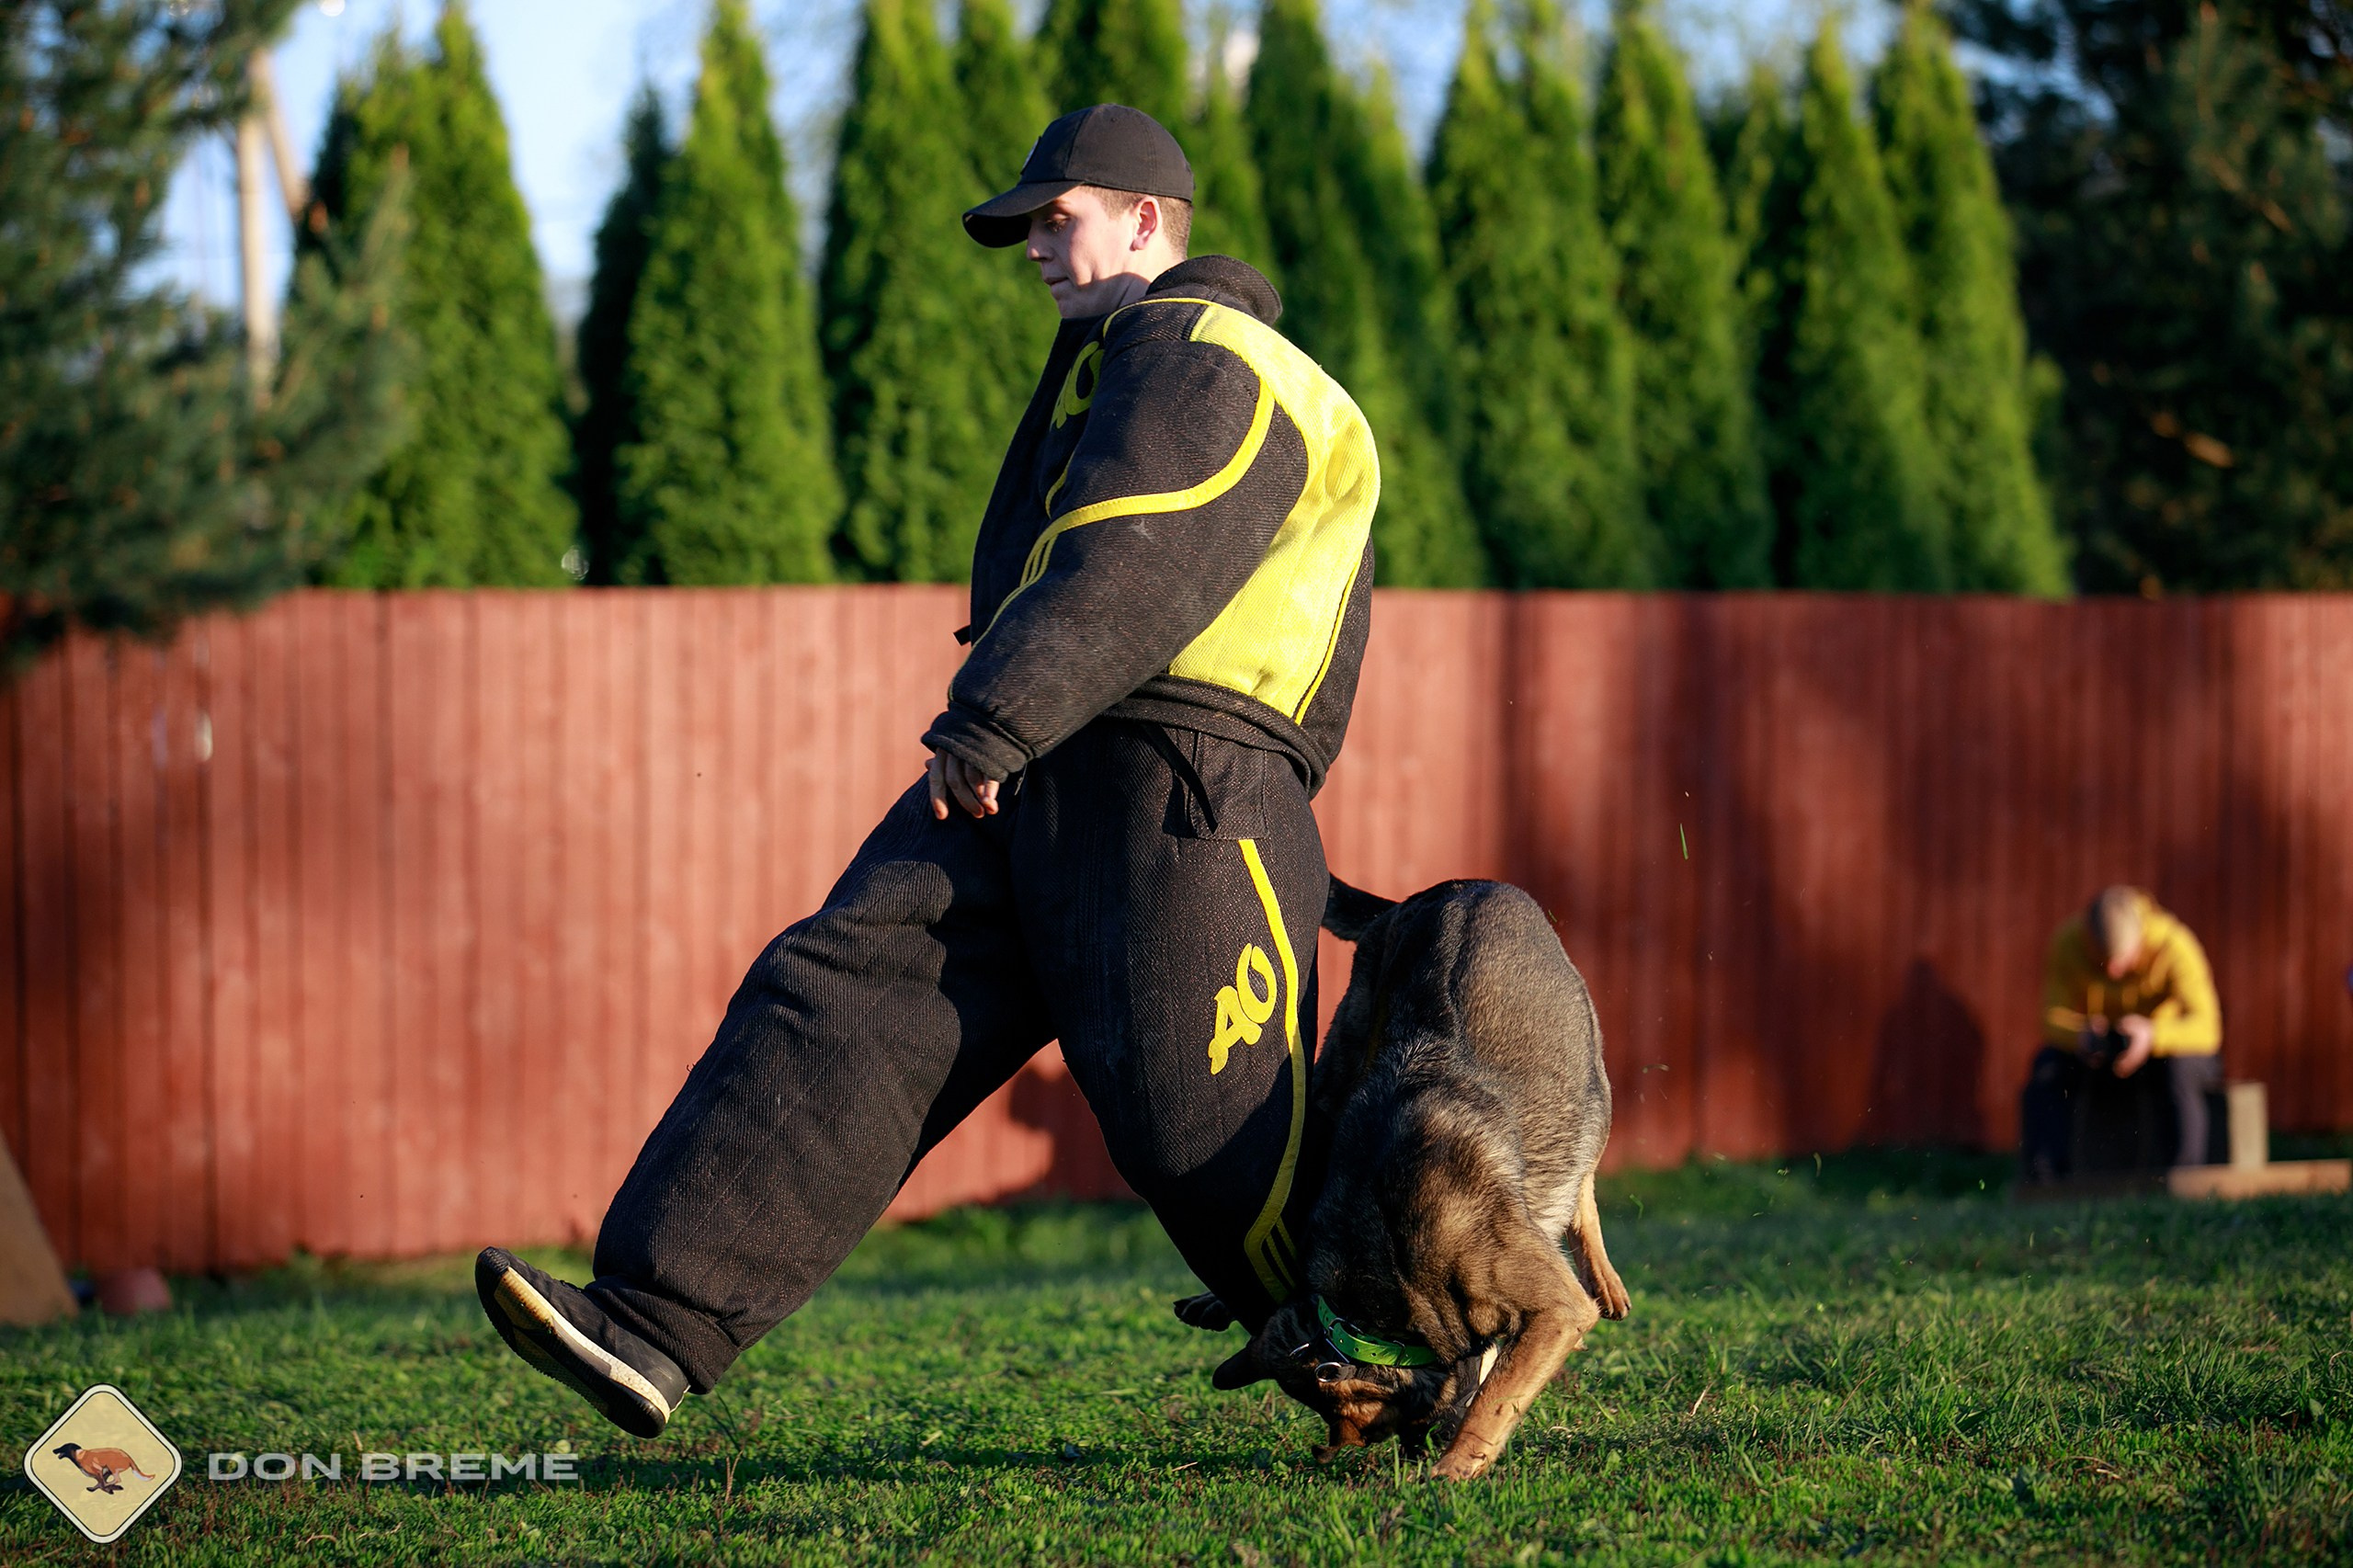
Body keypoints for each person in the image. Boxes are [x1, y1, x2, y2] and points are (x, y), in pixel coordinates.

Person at [471, 104, 1381, 1438]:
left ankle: (1417, 1342)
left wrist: (995, 718)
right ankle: (653, 1319)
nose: (1030, 246)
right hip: (1052, 759)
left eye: (1053, 218)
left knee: (1209, 1139)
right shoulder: (1119, 360)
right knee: (844, 994)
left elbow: (1142, 552)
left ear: (1145, 219)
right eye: (1021, 228)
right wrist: (1009, 728)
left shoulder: (1217, 353)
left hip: (1180, 777)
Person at [2019, 884, 2222, 1181]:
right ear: (2088, 937)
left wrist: (2152, 1036)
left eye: (2122, 960)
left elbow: (2208, 1029)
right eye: (2102, 959)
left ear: (2141, 940)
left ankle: (2185, 1181)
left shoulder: (2175, 946)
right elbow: (2050, 1019)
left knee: (2180, 1069)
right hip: (2097, 1055)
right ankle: (2045, 1183)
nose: (2113, 971)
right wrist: (2081, 1035)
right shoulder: (2068, 943)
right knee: (2048, 1067)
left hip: (2159, 1055)